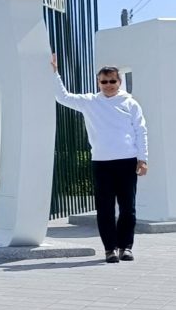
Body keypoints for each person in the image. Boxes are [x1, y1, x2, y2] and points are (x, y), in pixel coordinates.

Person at [50, 54, 148, 264]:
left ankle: (126, 247)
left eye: (112, 81)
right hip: (102, 163)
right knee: (104, 209)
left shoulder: (131, 104)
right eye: (104, 82)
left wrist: (143, 158)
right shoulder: (90, 102)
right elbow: (62, 97)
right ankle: (110, 249)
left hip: (127, 161)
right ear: (98, 83)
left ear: (119, 82)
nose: (108, 85)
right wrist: (54, 73)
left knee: (128, 208)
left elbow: (141, 131)